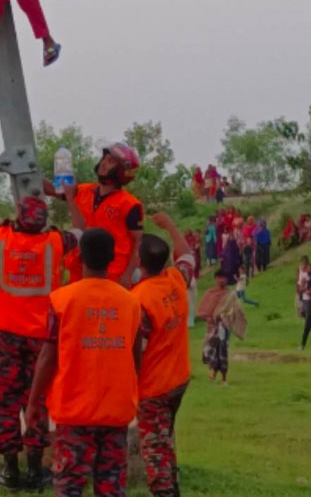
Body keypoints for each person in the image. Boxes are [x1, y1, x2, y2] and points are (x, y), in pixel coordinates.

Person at [0, 161, 80, 490]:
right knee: (38, 401)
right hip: (41, 342)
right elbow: (83, 230)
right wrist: (68, 198)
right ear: (43, 222)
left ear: (18, 218)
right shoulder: (55, 244)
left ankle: (10, 468)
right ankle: (35, 469)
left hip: (6, 341)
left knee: (5, 401)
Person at [25, 228, 143, 497]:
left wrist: (33, 402)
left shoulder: (62, 300)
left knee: (69, 486)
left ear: (79, 257)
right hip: (115, 412)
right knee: (111, 487)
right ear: (113, 258)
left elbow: (48, 356)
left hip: (74, 412)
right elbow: (136, 357)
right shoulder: (130, 303)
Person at [133, 213, 194, 497]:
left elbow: (137, 350)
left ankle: (165, 490)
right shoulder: (176, 279)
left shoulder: (139, 299)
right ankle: (175, 488)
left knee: (154, 450)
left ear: (139, 263)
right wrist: (170, 225)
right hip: (179, 379)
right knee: (165, 438)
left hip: (153, 389)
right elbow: (188, 255)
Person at [47, 142, 143, 286]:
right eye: (104, 159)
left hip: (111, 277)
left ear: (121, 170)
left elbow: (138, 243)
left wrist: (127, 275)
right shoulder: (83, 191)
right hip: (78, 273)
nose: (103, 163)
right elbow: (55, 190)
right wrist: (28, 174)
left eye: (110, 161)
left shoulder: (129, 204)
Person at [196, 270, 246, 384]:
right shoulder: (210, 293)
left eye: (223, 278)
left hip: (224, 326)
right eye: (219, 278)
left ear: (227, 280)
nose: (221, 280)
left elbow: (236, 310)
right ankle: (212, 370)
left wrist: (224, 317)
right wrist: (208, 318)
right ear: (215, 279)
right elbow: (203, 308)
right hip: (211, 327)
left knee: (222, 350)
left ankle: (224, 377)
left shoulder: (231, 295)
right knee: (211, 349)